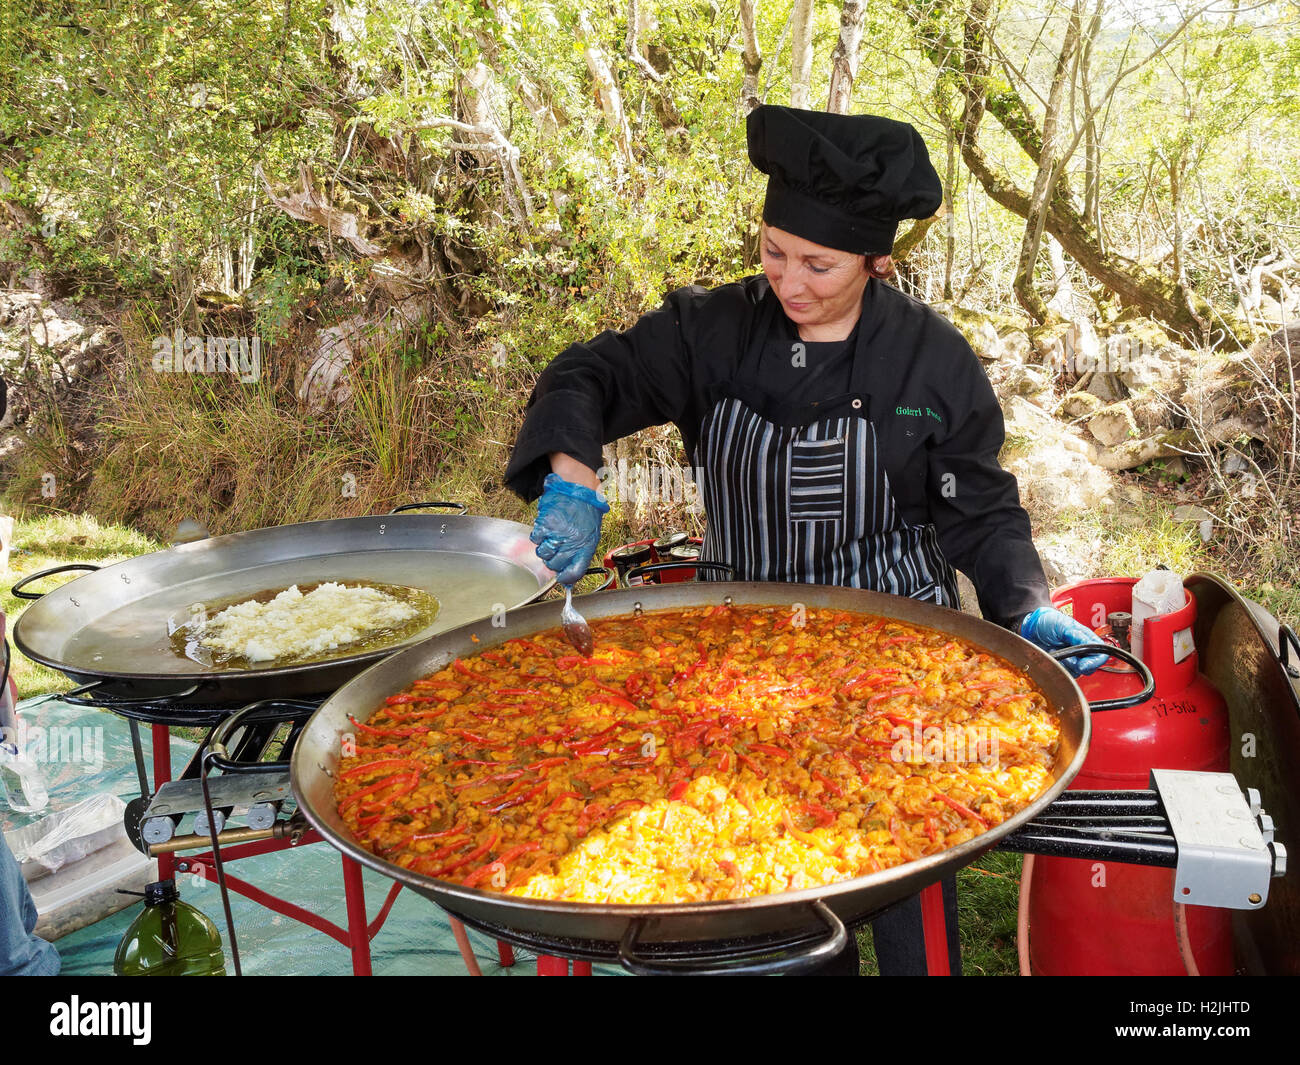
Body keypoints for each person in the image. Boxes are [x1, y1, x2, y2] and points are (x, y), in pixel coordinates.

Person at [505, 105, 1104, 974]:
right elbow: (588, 373)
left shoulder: (931, 361)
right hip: (732, 659)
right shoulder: (710, 329)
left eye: (820, 264)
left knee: (906, 869)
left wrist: (1027, 604)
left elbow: (977, 504)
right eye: (774, 252)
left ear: (877, 261)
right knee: (750, 873)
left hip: (899, 659)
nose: (791, 282)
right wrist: (574, 472)